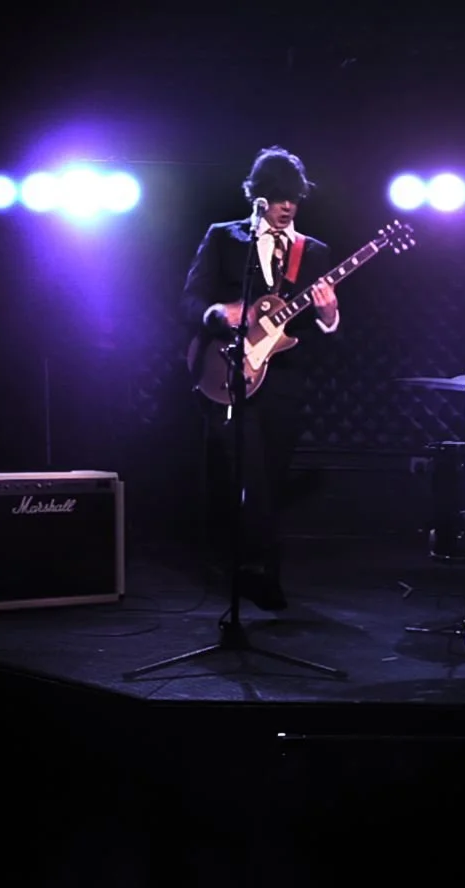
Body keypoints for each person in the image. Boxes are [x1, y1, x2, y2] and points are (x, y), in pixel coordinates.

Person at [180, 145, 340, 611]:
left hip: (284, 380)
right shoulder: (224, 238)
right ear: (258, 195)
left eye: (293, 196)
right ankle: (250, 570)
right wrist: (216, 313)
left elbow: (325, 333)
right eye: (277, 195)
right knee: (240, 473)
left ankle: (260, 570)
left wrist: (329, 316)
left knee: (271, 475)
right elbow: (188, 301)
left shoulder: (315, 252)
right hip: (226, 369)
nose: (287, 204)